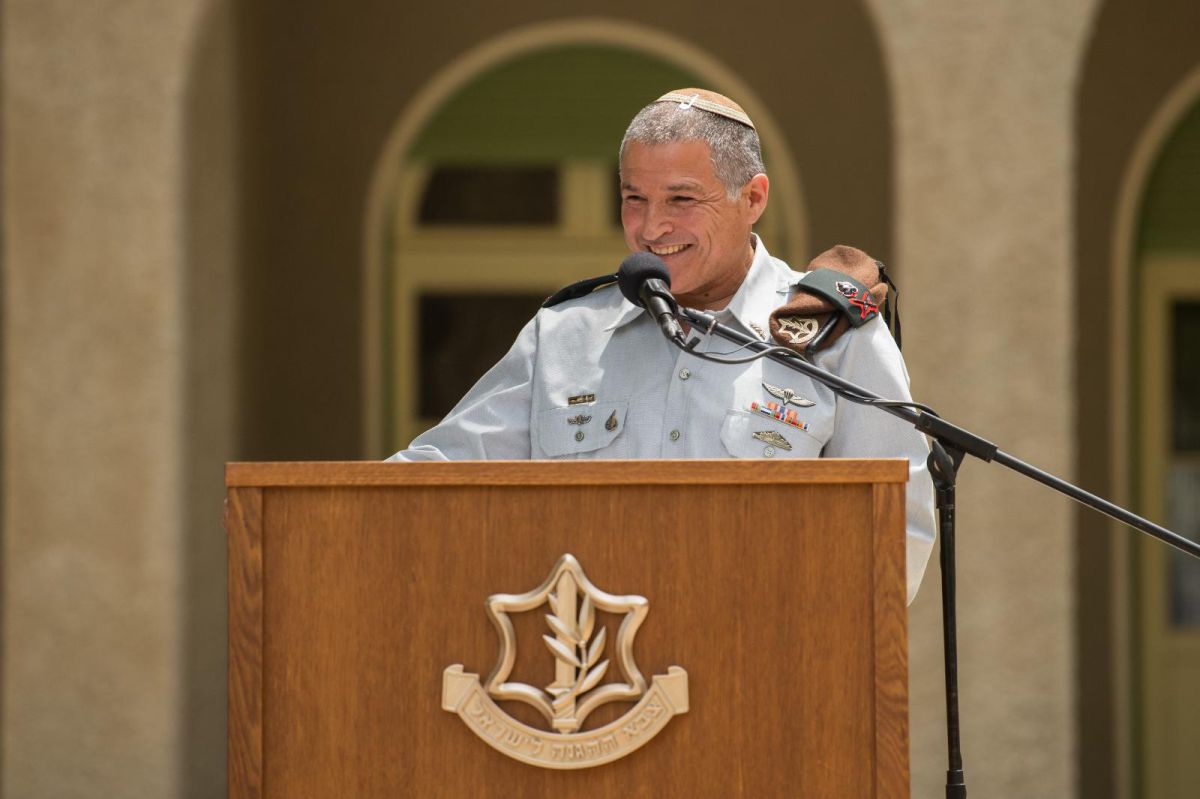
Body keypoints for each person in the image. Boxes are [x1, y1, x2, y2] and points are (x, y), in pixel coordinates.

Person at [389, 89, 935, 603]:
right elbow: (439, 475)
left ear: (752, 197)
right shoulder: (565, 335)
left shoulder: (834, 334)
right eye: (634, 198)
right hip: (600, 679)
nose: (652, 227)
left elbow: (895, 525)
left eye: (681, 198)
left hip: (769, 671)